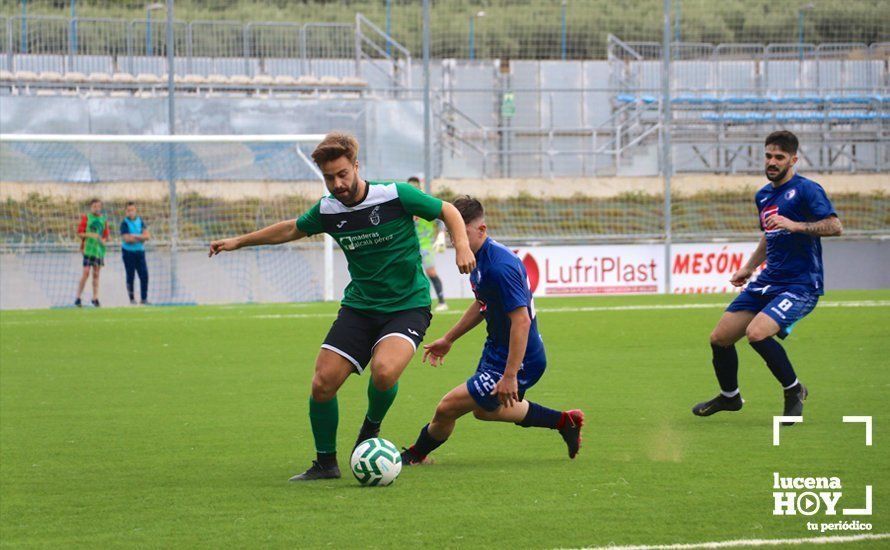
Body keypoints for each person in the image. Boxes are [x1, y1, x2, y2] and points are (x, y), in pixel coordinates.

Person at [208, 132, 476, 481]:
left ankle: (370, 430)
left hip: (406, 304)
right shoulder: (328, 210)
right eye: (329, 178)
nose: (337, 184)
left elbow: (447, 210)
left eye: (342, 174)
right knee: (322, 383)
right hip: (360, 307)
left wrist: (462, 246)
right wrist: (238, 242)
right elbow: (290, 229)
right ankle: (325, 464)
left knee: (383, 371)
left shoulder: (394, 195)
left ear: (356, 166)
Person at [401, 196, 584, 466]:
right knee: (485, 412)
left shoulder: (499, 267)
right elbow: (482, 303)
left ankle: (415, 455)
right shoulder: (478, 257)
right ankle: (564, 421)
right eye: (452, 234)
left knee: (447, 407)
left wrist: (510, 375)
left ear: (482, 230)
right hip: (497, 349)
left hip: (520, 359)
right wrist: (449, 339)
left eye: (461, 234)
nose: (456, 241)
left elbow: (521, 321)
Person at [692, 131, 843, 425]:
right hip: (767, 280)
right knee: (720, 338)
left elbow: (835, 226)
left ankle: (794, 390)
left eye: (780, 157)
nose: (772, 162)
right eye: (768, 156)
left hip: (800, 285)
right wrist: (749, 267)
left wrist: (796, 225)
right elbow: (769, 235)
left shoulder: (807, 190)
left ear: (793, 160)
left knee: (757, 333)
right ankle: (730, 396)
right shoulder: (763, 195)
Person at [408, 175, 448, 311]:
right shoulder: (404, 206)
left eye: (415, 186)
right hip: (409, 247)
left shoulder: (425, 204)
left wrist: (441, 235)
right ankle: (417, 303)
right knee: (411, 275)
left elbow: (441, 220)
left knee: (430, 272)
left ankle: (442, 301)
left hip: (426, 246)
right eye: (410, 186)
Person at [75, 198, 109, 307]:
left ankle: (95, 298)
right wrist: (91, 235)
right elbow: (80, 233)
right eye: (94, 207)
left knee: (96, 274)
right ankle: (78, 297)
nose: (96, 208)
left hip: (98, 251)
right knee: (85, 273)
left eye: (98, 206)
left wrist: (102, 241)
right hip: (88, 250)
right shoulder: (87, 218)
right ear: (91, 207)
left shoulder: (104, 220)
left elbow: (105, 237)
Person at [120, 202, 151, 305]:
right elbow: (127, 239)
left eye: (132, 210)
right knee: (130, 276)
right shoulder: (124, 223)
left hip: (140, 252)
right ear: (126, 212)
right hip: (128, 253)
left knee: (144, 275)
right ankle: (132, 299)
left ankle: (144, 299)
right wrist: (140, 237)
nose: (131, 212)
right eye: (128, 210)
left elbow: (147, 236)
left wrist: (135, 236)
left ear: (136, 210)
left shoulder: (140, 221)